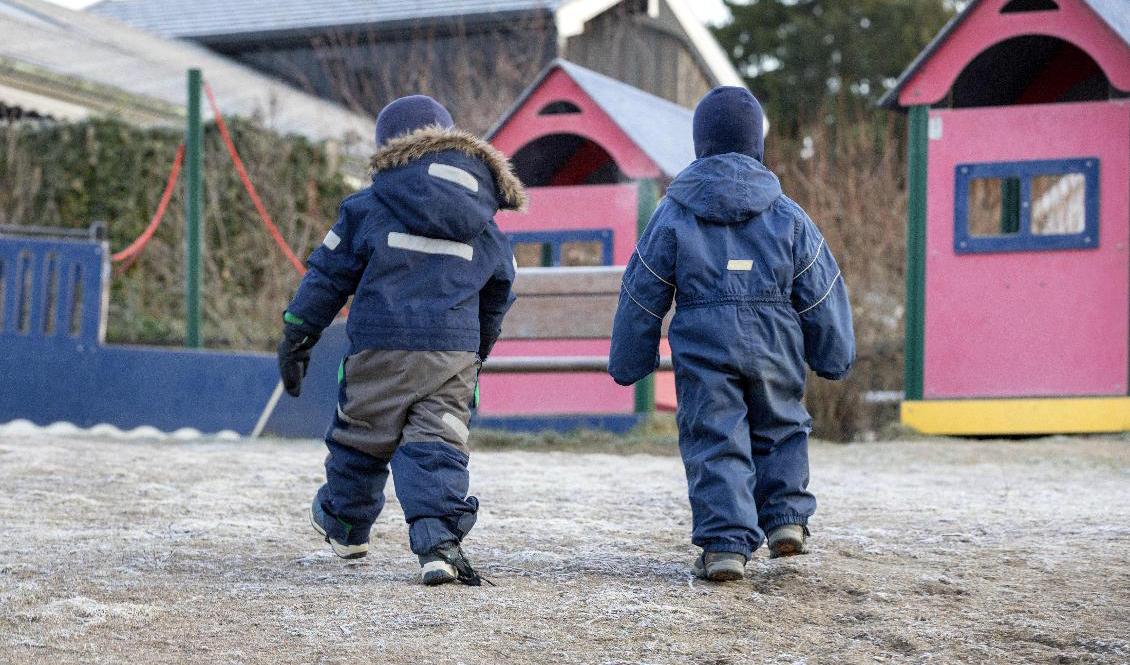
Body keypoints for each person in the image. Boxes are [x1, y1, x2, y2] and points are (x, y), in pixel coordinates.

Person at [277, 95, 525, 586]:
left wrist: (297, 335)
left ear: (387, 148)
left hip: (380, 344)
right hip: (452, 351)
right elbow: (500, 290)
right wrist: (478, 351)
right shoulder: (483, 220)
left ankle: (346, 526)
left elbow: (327, 276)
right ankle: (438, 543)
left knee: (362, 436)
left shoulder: (368, 206)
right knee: (437, 442)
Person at [608, 87, 854, 582]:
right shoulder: (787, 214)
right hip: (775, 340)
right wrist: (834, 353)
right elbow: (820, 285)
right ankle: (785, 519)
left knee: (713, 434)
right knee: (781, 422)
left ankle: (724, 545)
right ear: (756, 145)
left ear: (700, 145)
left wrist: (629, 359)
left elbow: (642, 288)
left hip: (704, 342)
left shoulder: (673, 213)